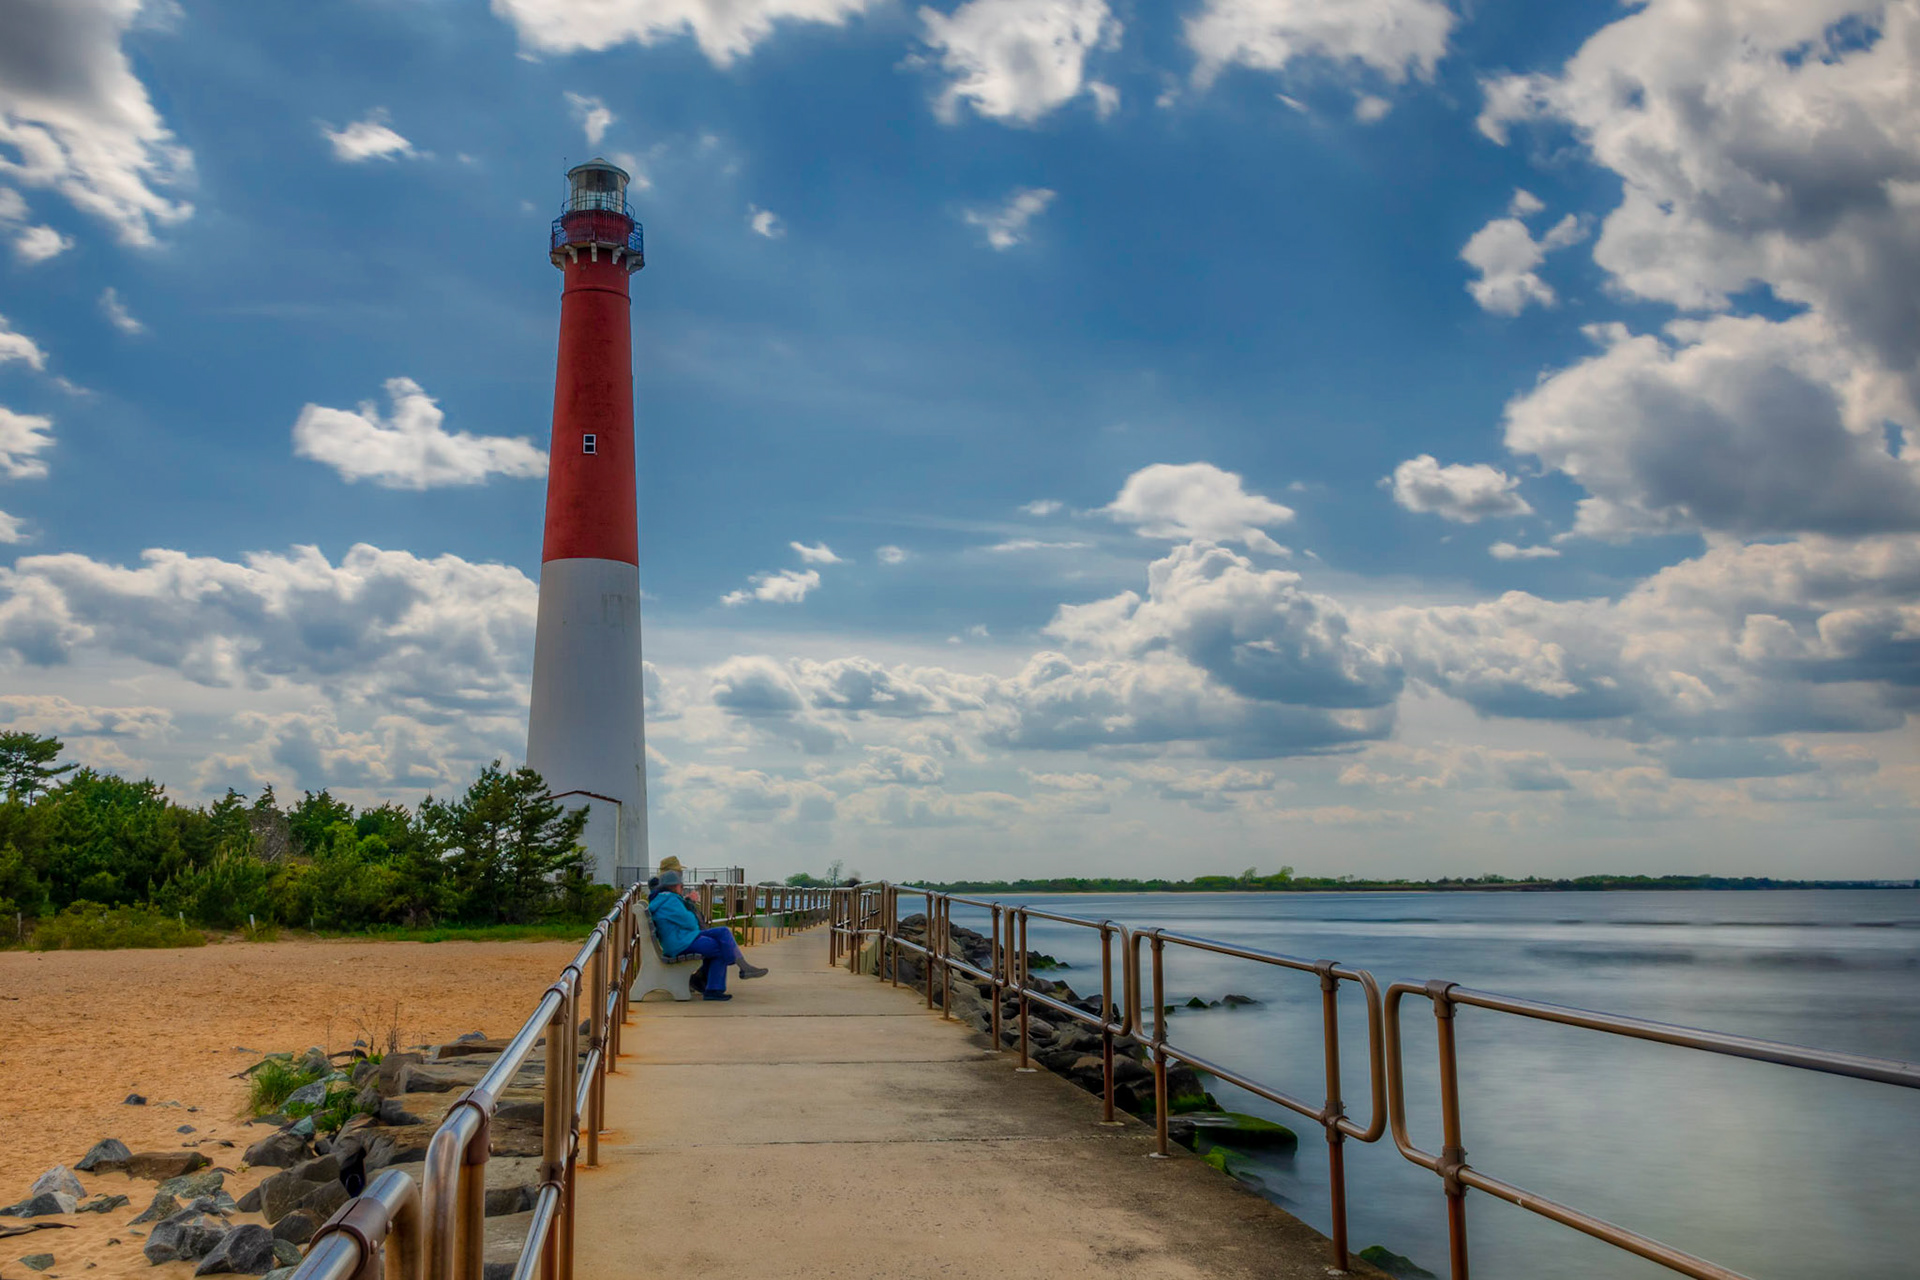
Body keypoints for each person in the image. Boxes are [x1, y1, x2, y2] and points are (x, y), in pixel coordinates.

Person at [647, 870, 766, 1001]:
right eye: (682, 886)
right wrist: (690, 905)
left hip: (682, 937)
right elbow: (691, 923)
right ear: (673, 886)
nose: (682, 888)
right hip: (681, 942)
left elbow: (687, 923)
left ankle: (742, 967)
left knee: (723, 932)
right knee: (721, 947)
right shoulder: (670, 901)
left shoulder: (664, 899)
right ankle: (713, 988)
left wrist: (686, 903)